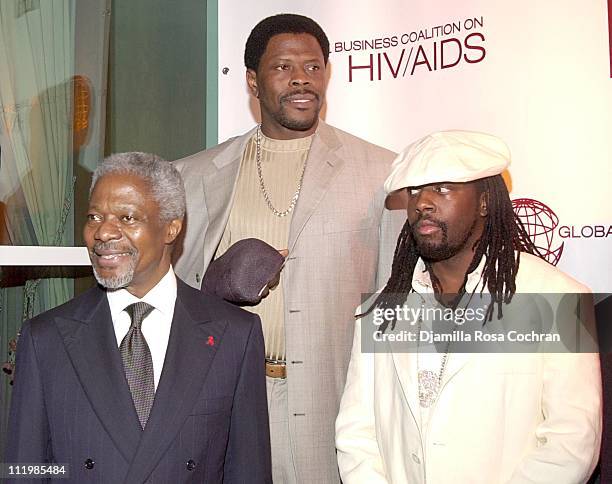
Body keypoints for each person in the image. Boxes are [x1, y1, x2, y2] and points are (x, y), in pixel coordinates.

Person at [172, 13, 396, 484]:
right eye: (283, 67)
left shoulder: (381, 173)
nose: (301, 79)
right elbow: (166, 292)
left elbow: (397, 302)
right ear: (252, 81)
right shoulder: (194, 176)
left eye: (314, 67)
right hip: (226, 398)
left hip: (333, 404)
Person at [335, 130, 602, 483]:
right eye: (414, 191)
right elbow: (356, 435)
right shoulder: (383, 309)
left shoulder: (559, 299)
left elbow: (571, 445)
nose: (423, 203)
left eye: (443, 187)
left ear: (484, 202)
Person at [6, 152, 271, 483]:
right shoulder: (45, 338)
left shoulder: (235, 335)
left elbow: (248, 471)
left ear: (171, 227)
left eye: (127, 218)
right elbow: (26, 471)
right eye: (93, 217)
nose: (103, 233)